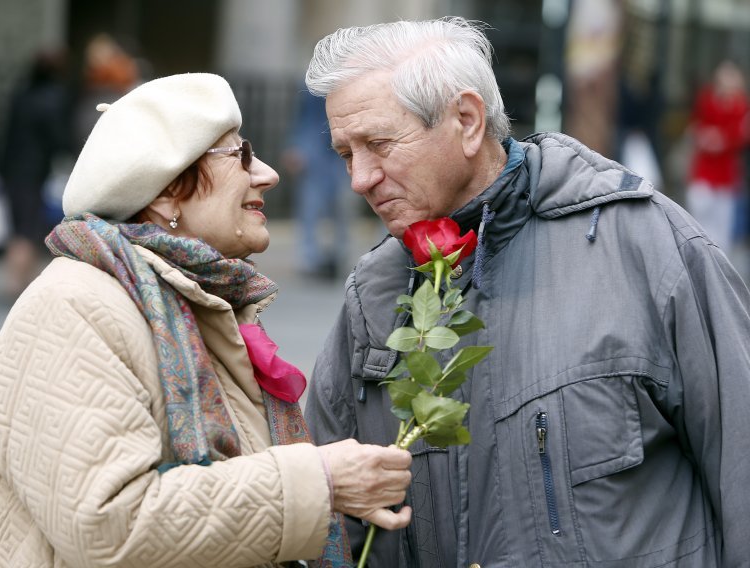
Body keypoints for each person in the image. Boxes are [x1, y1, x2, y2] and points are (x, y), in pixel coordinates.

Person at [303, 17, 750, 567]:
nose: (359, 178)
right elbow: (327, 516)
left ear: (467, 121)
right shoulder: (371, 297)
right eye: (347, 154)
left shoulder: (644, 243)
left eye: (378, 144)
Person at [0, 73, 413, 567]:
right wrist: (318, 481)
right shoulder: (74, 303)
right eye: (239, 155)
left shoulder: (197, 300)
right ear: (166, 192)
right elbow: (111, 526)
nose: (266, 173)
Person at [0, 47, 74, 296]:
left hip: (14, 168)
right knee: (28, 227)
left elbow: (6, 134)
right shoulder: (54, 98)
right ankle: (17, 283)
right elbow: (58, 138)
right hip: (35, 170)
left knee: (19, 225)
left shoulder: (22, 94)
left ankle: (21, 279)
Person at [281, 86, 350, 279]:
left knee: (341, 206)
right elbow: (304, 118)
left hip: (341, 149)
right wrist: (297, 146)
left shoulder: (350, 74)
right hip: (316, 154)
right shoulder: (311, 82)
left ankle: (337, 254)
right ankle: (310, 257)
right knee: (312, 205)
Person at [685, 59, 750, 254]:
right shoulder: (707, 100)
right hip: (704, 170)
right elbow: (695, 127)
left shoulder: (741, 107)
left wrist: (721, 140)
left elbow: (741, 136)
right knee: (699, 210)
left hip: (726, 175)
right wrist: (706, 137)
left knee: (722, 227)